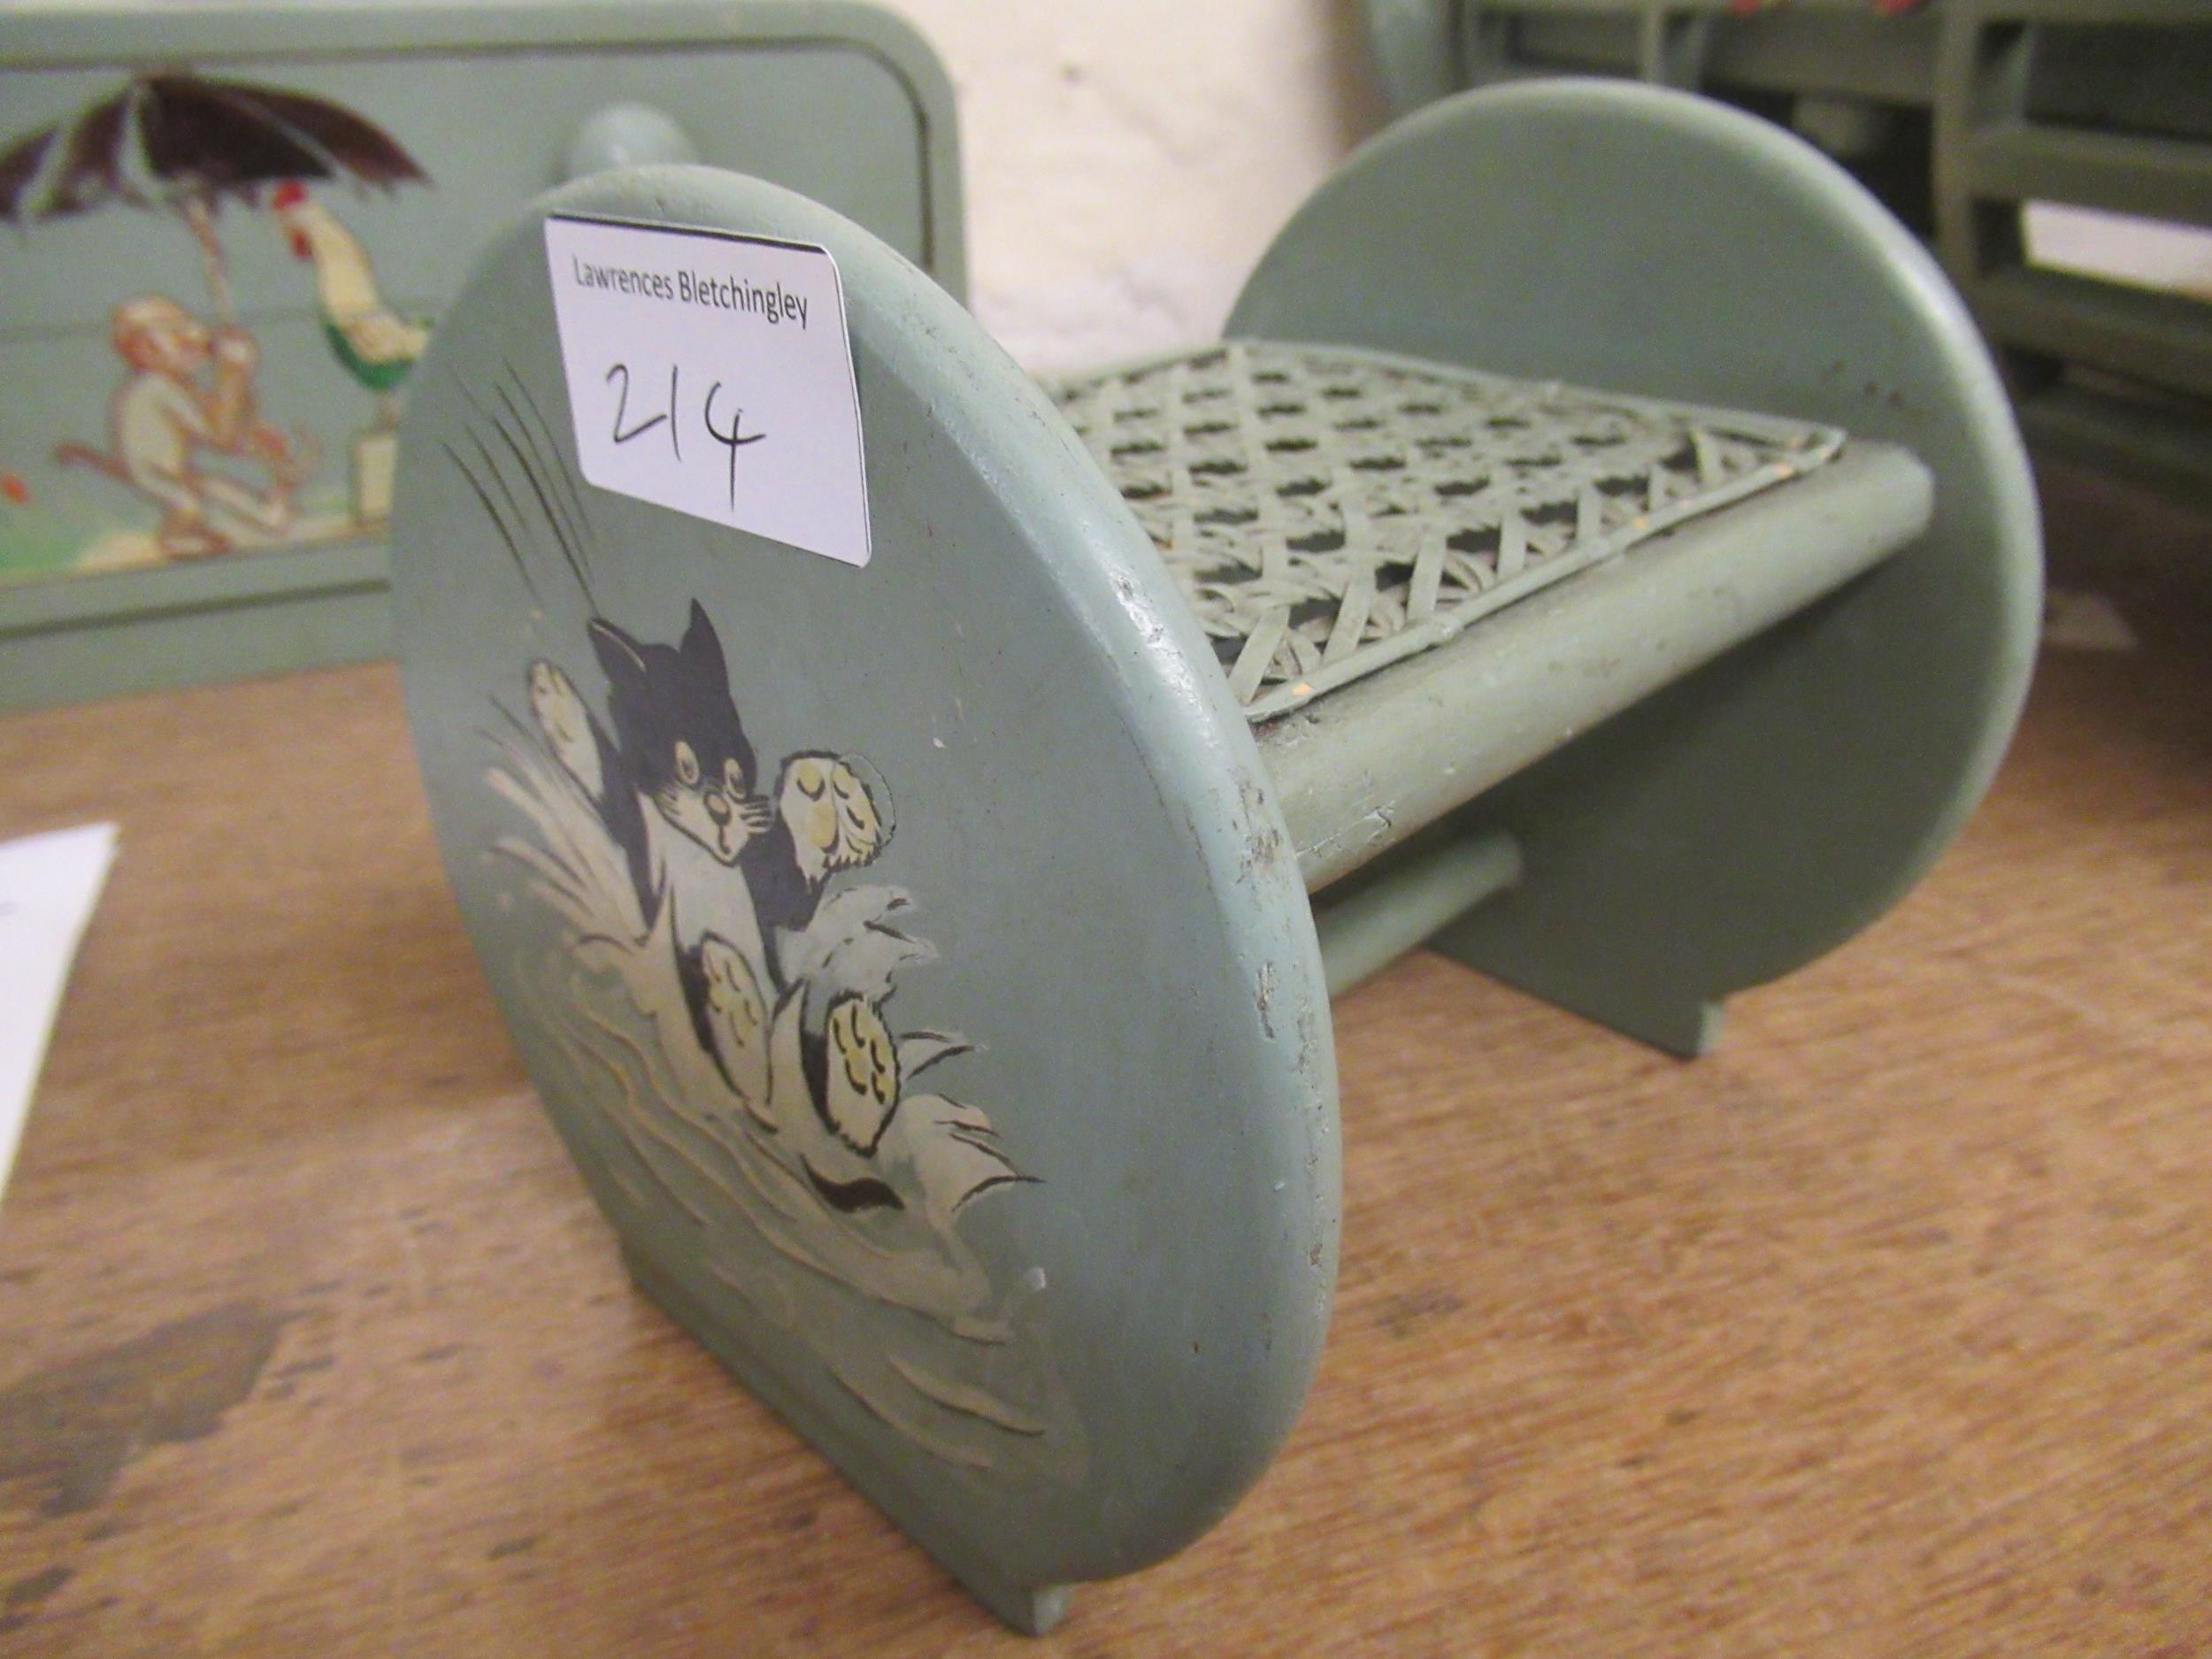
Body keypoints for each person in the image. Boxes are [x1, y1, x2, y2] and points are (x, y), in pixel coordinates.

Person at [56, 295, 315, 560]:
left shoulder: (174, 385)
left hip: (170, 468)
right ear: (144, 350)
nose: (197, 339)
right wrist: (233, 375)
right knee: (187, 503)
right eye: (176, 334)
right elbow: (219, 436)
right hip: (152, 471)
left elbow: (219, 420)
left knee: (216, 488)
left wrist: (253, 431)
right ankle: (175, 538)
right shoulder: (155, 388)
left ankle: (266, 516)